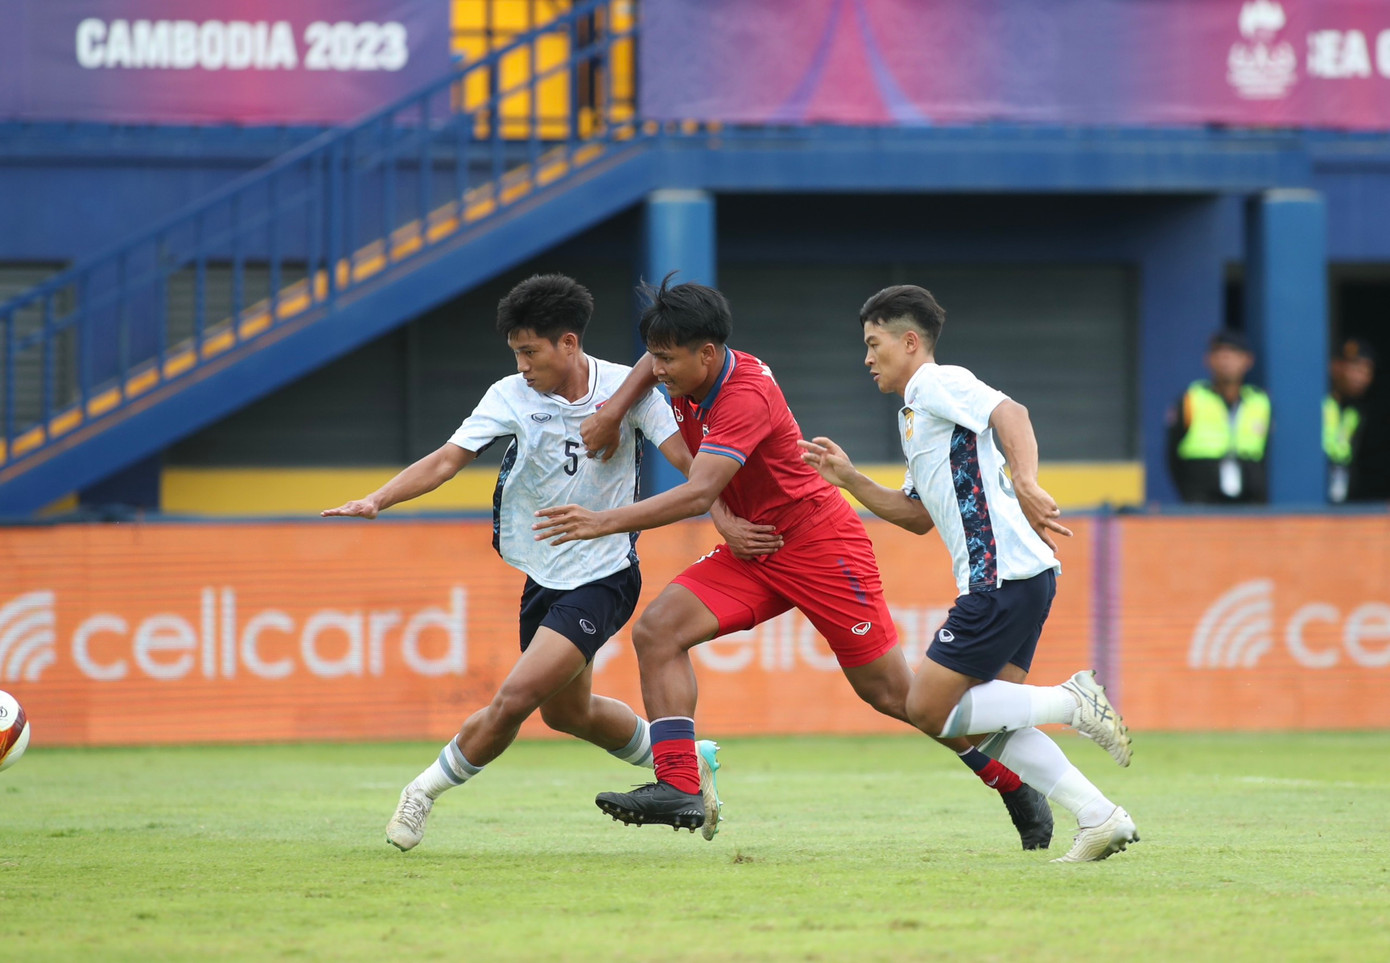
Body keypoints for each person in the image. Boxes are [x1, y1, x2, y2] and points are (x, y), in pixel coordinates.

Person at [535, 274, 1056, 851]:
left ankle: (1012, 784)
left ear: (706, 355)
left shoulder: (745, 394)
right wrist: (614, 412)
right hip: (754, 547)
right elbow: (649, 367)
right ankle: (681, 786)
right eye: (655, 356)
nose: (657, 369)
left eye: (667, 359)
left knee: (895, 696)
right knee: (658, 631)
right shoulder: (682, 363)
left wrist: (601, 520)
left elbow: (695, 492)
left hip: (820, 544)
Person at [321, 274, 724, 850]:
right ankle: (686, 755)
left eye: (529, 351)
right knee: (568, 714)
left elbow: (690, 464)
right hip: (543, 575)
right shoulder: (510, 394)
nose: (523, 364)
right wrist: (378, 499)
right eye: (516, 352)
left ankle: (421, 793)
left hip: (605, 574)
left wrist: (728, 514)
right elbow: (445, 460)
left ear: (568, 343)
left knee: (514, 698)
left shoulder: (626, 391)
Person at [798, 284, 1139, 863]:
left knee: (927, 708)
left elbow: (1012, 413)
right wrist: (850, 479)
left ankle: (1071, 700)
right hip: (1018, 577)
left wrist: (1027, 480)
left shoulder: (935, 381)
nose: (866, 357)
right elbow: (915, 517)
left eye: (873, 342)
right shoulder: (916, 415)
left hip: (1000, 578)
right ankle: (1100, 817)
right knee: (989, 723)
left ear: (910, 342)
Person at [1166, 329, 1271, 504]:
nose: (1225, 360)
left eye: (1233, 353)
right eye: (1219, 354)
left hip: (1249, 504)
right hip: (1202, 502)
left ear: (1248, 360)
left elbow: (1268, 453)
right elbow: (1172, 455)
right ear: (1208, 360)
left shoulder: (1260, 402)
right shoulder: (1191, 398)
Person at [1325, 337, 1387, 503]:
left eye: (1367, 371)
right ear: (1335, 366)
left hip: (1350, 503)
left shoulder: (1361, 412)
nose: (1361, 377)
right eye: (1355, 368)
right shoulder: (1318, 404)